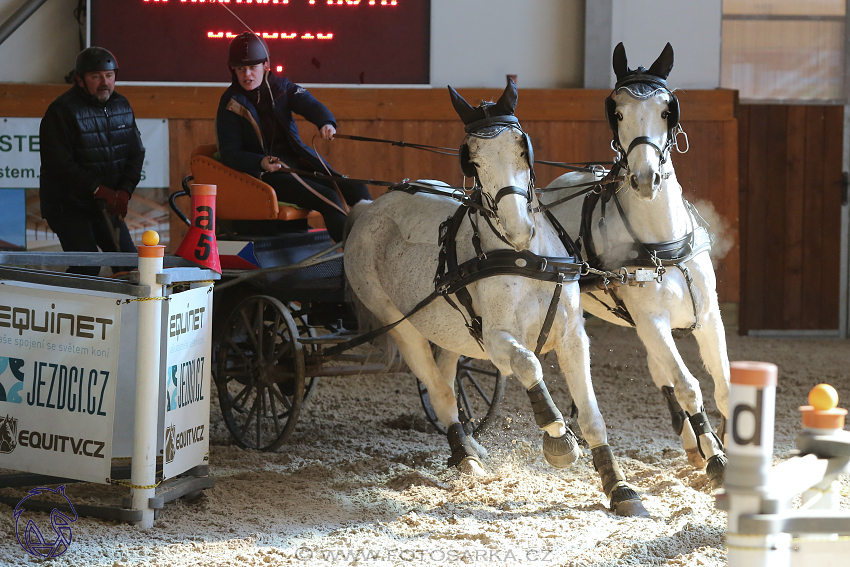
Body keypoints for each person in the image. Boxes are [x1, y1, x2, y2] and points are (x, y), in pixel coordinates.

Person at [216, 32, 371, 242]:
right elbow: (229, 154)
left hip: (298, 162)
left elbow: (310, 104)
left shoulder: (283, 87)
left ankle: (375, 241)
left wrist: (326, 122)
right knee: (330, 198)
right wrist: (260, 162)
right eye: (241, 69)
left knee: (356, 188)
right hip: (267, 175)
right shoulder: (230, 103)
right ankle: (355, 257)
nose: (247, 75)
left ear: (265, 66)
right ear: (232, 69)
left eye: (253, 67)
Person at [39, 46, 145, 277]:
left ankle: (123, 313)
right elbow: (58, 163)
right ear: (80, 80)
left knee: (131, 265)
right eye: (95, 77)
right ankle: (72, 312)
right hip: (66, 205)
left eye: (109, 75)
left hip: (103, 203)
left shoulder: (122, 106)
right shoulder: (61, 111)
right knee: (87, 265)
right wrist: (98, 189)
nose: (104, 82)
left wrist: (124, 191)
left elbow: (136, 154)